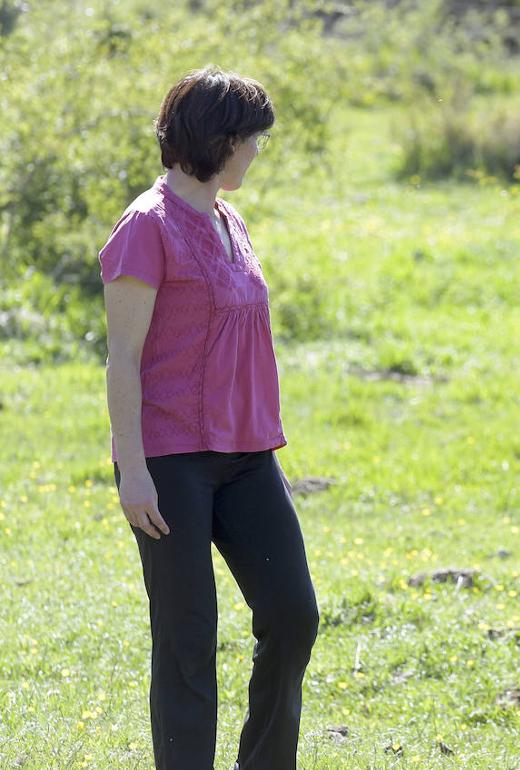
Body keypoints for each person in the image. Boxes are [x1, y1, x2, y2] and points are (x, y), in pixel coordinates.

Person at [100, 66, 319, 770]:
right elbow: (123, 359)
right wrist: (133, 469)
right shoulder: (146, 227)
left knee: (292, 617)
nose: (258, 151)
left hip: (248, 453)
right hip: (171, 461)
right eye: (253, 139)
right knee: (188, 638)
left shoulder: (231, 219)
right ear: (220, 139)